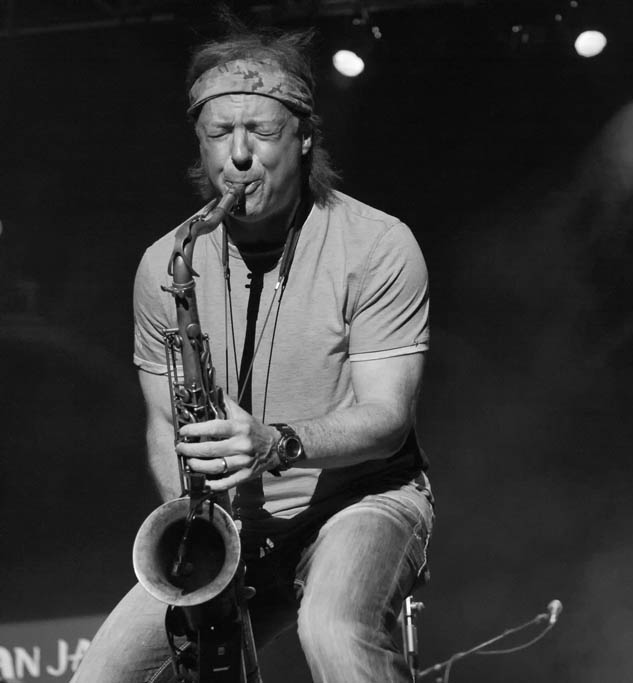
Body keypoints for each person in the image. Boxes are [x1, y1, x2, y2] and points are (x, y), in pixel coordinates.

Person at [72, 20, 434, 683]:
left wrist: (276, 443)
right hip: (234, 525)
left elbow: (387, 421)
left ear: (304, 137)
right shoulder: (166, 263)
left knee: (334, 631)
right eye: (219, 134)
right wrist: (201, 532)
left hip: (362, 499)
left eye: (261, 132)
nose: (238, 156)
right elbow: (165, 424)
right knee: (100, 675)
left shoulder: (379, 245)